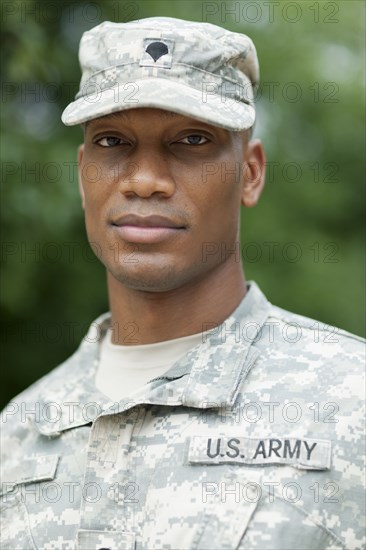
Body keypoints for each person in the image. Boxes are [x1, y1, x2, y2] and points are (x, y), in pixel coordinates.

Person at [1, 16, 364, 550]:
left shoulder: (350, 403)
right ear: (83, 176)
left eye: (192, 140)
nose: (145, 180)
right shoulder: (18, 434)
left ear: (251, 173)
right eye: (112, 141)